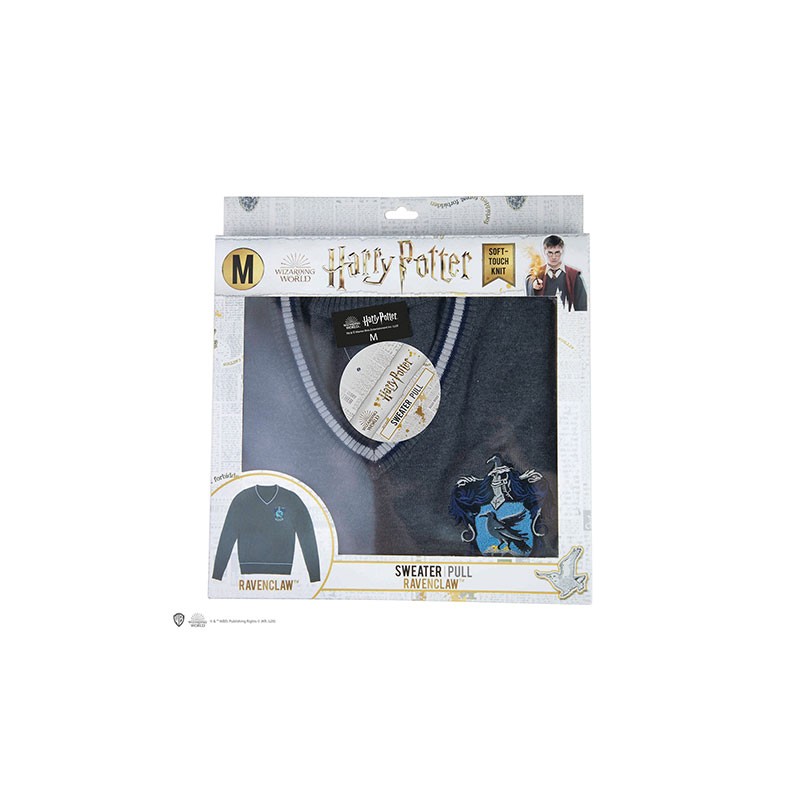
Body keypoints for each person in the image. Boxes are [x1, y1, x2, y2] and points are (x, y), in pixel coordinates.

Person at [525, 235, 588, 311]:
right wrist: (533, 283)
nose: (554, 257)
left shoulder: (574, 275)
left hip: (566, 316)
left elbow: (582, 305)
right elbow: (530, 279)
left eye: (557, 252)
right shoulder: (538, 272)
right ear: (544, 251)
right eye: (550, 253)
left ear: (562, 251)